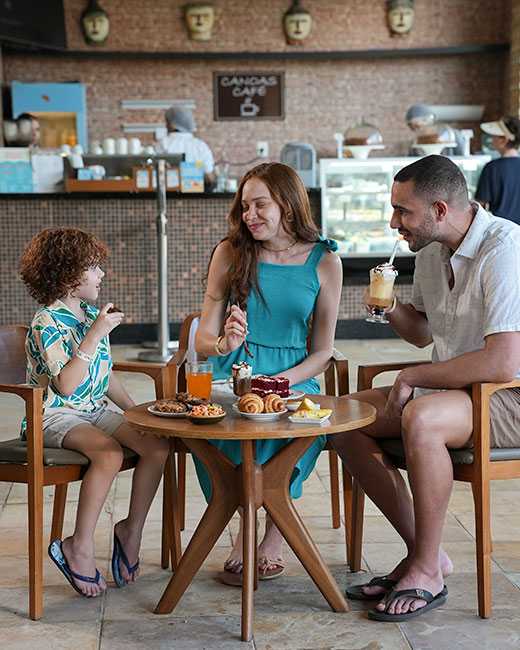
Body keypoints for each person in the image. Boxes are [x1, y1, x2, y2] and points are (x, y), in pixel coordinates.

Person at [332, 155, 520, 622]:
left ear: (439, 209)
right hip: (455, 396)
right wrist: (389, 305)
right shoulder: (432, 254)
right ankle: (426, 555)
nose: (394, 223)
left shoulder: (505, 250)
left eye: (403, 211)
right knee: (345, 417)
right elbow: (420, 333)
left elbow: (504, 361)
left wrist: (414, 377)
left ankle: (427, 573)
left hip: (507, 396)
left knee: (421, 417)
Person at [194, 162, 343, 585]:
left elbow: (323, 351)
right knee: (226, 430)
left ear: (289, 205)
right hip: (235, 371)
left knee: (298, 427)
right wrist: (223, 342)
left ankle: (274, 534)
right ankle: (242, 523)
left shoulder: (325, 260)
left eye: (261, 205)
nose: (250, 215)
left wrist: (283, 381)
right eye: (244, 207)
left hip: (296, 376)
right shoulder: (230, 252)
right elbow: (204, 339)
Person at [19, 228, 170, 598]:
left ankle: (130, 530)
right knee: (108, 453)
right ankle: (78, 545)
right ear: (69, 276)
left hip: (95, 409)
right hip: (54, 415)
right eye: (92, 267)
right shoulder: (45, 323)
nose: (101, 275)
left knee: (158, 445)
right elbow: (67, 386)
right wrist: (94, 334)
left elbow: (104, 375)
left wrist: (139, 415)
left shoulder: (89, 314)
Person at [156, 105, 215, 187]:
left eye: (167, 122)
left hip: (169, 195)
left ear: (172, 124)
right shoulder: (200, 146)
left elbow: (155, 175)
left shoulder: (162, 144)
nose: (166, 126)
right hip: (196, 196)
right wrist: (195, 171)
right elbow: (210, 178)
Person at [475, 116, 520, 224]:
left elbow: (480, 206)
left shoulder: (492, 168)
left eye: (495, 136)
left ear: (504, 140)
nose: (492, 139)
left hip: (502, 230)